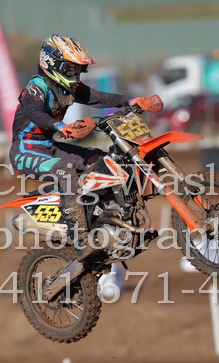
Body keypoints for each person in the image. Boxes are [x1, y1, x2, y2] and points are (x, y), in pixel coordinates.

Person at [10, 33, 162, 261]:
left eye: (78, 69)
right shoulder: (38, 86)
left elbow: (101, 98)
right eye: (71, 69)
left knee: (101, 161)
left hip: (50, 146)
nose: (75, 74)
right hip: (25, 150)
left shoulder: (69, 88)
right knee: (64, 170)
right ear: (52, 64)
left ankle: (107, 219)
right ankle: (80, 238)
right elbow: (34, 112)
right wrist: (59, 125)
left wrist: (131, 101)